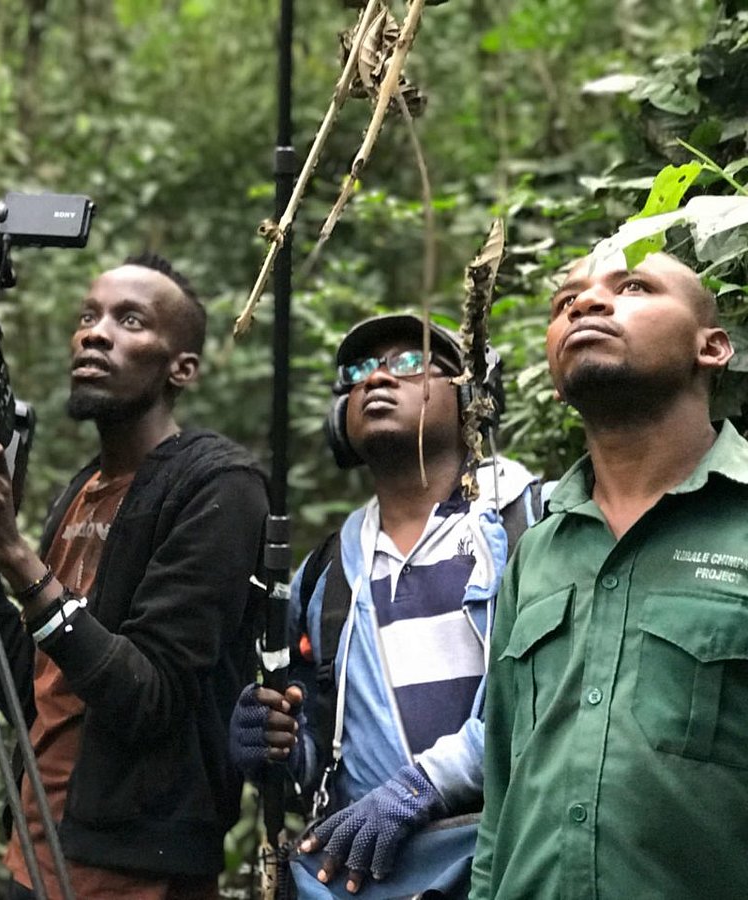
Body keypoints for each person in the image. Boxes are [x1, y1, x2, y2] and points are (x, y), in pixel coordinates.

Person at [0, 253, 270, 899]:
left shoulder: (218, 486)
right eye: (88, 316)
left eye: (129, 320)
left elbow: (152, 698)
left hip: (134, 870)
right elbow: (29, 685)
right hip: (36, 847)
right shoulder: (84, 490)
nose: (94, 332)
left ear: (181, 368)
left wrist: (15, 552)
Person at [229, 314, 542, 899]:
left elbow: (552, 695)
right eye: (361, 371)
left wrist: (422, 787)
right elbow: (319, 748)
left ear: (473, 396)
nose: (377, 379)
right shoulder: (325, 576)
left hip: (512, 863)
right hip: (372, 878)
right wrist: (277, 743)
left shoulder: (530, 525)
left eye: (409, 364)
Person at [471, 251, 746, 899]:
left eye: (634, 288)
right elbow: (501, 794)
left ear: (712, 347)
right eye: (566, 302)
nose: (585, 304)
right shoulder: (536, 552)